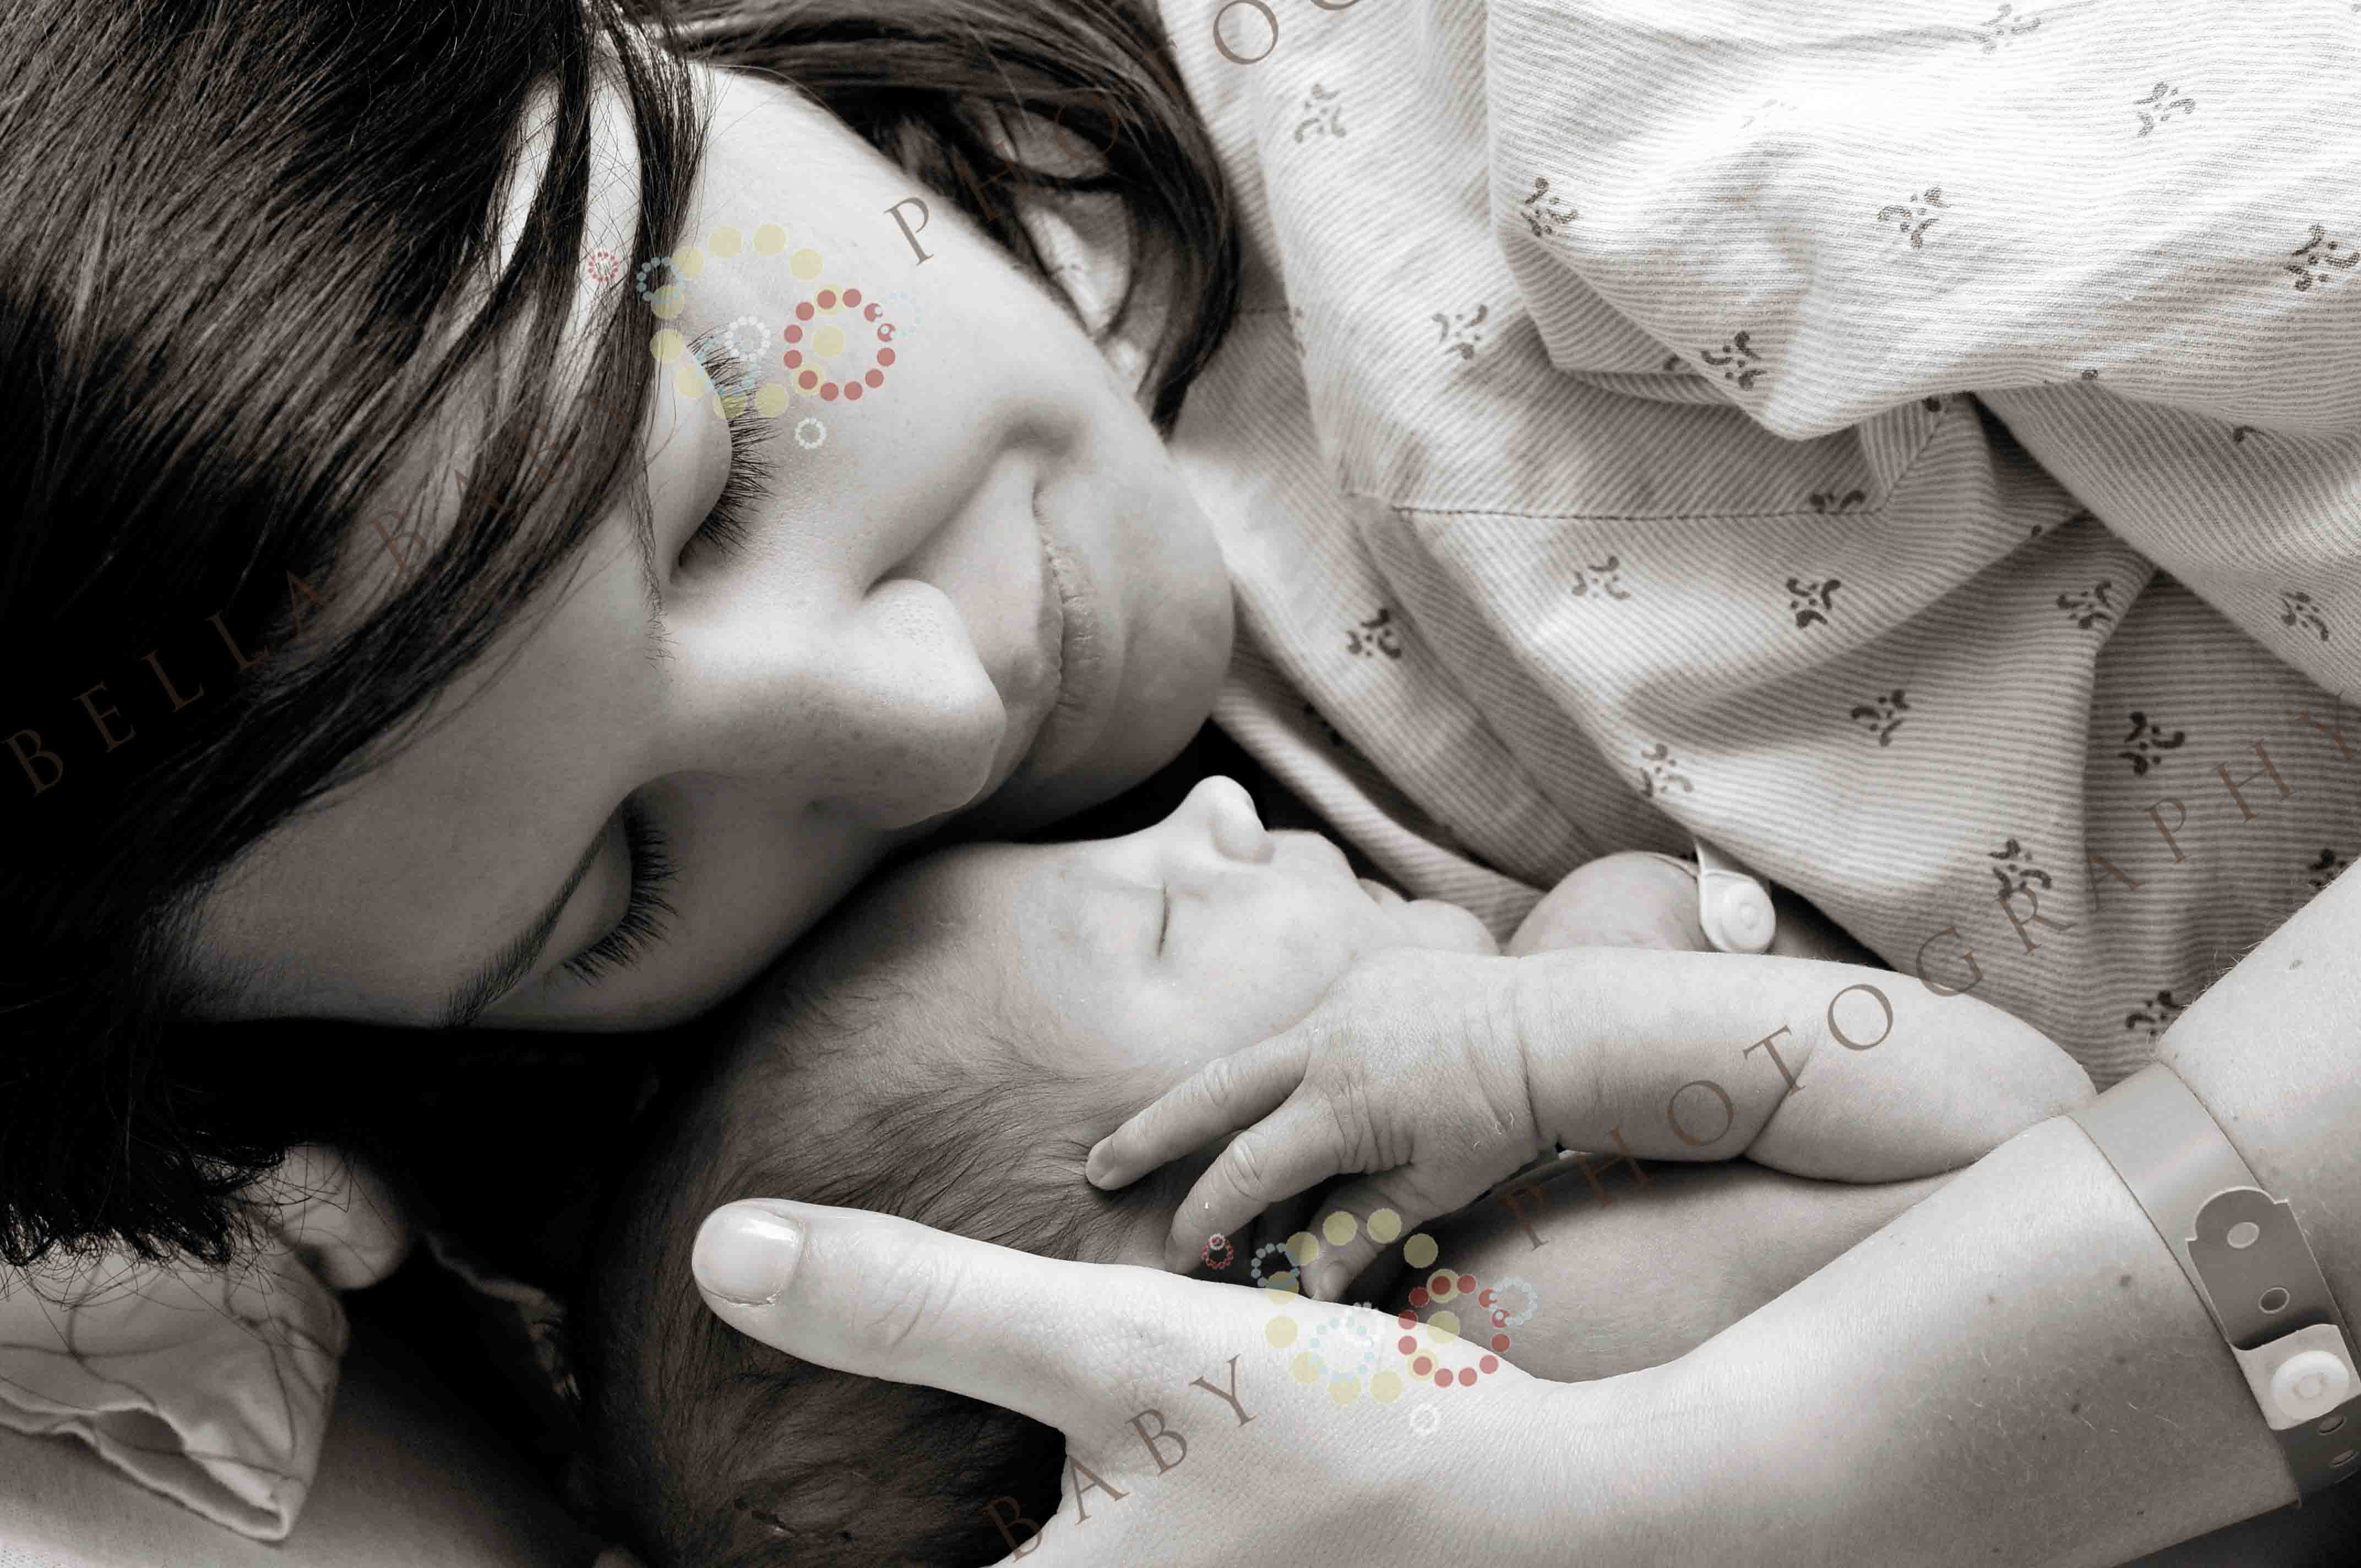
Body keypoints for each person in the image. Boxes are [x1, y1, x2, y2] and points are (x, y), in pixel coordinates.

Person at [4, 0, 2356, 1562]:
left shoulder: (1606, 92)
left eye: (714, 469)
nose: (932, 713)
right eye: (613, 885)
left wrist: (1798, 1463)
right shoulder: (1028, 1140)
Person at [575, 775, 2090, 1567]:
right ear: (1217, 1266)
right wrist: (1538, 1047)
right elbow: (2042, 1159)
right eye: (1166, 919)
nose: (1216, 810)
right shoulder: (1518, 1322)